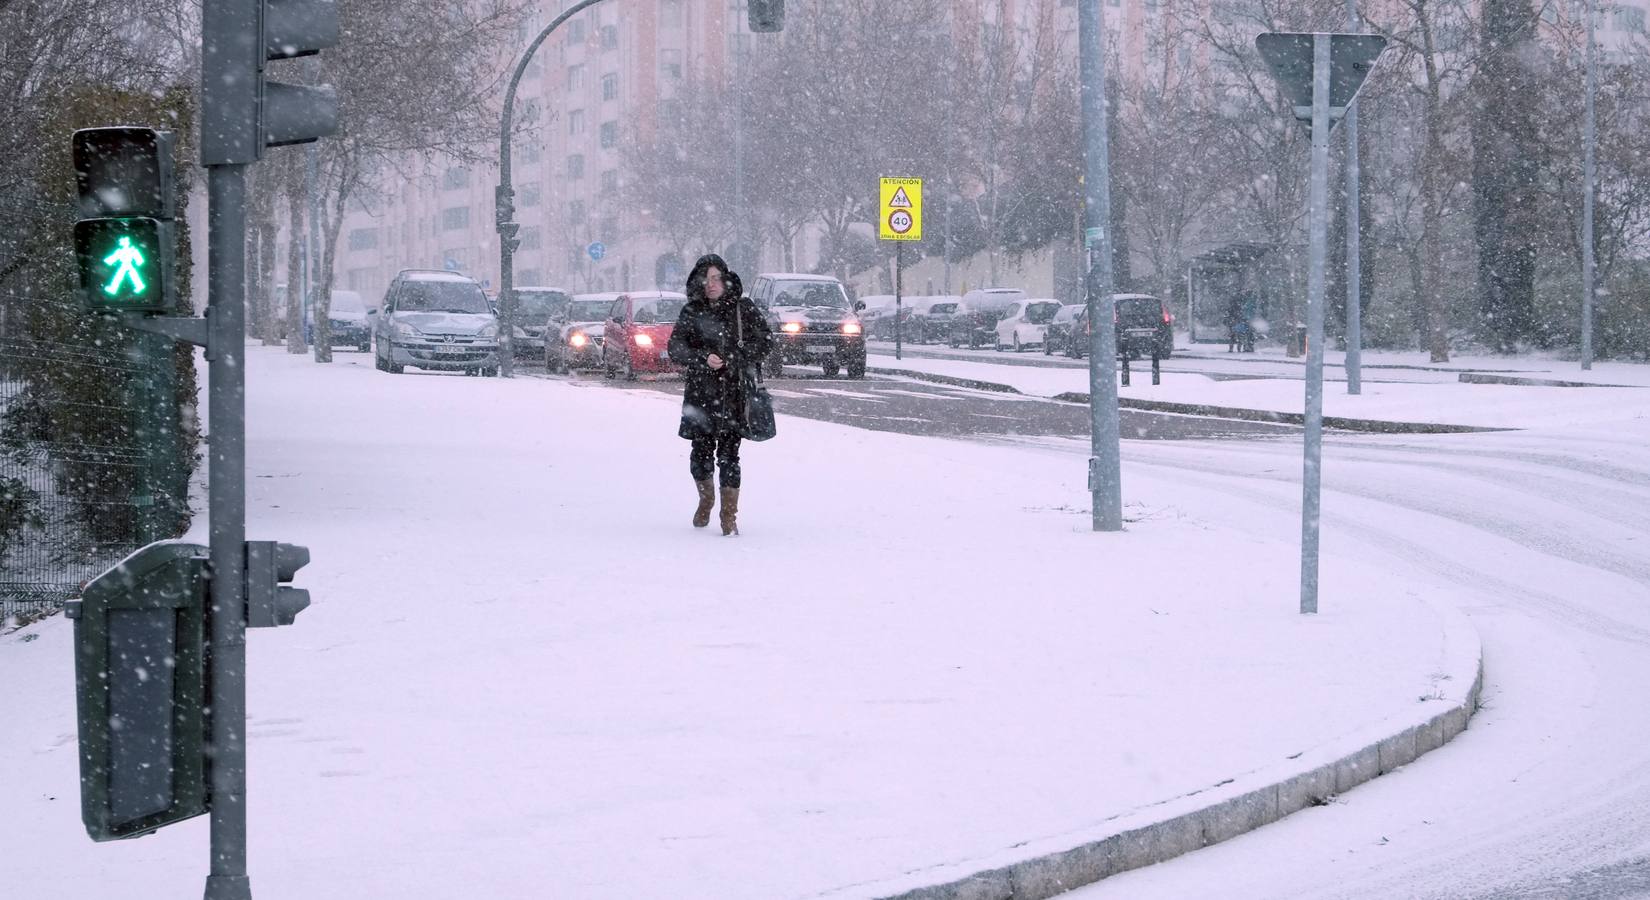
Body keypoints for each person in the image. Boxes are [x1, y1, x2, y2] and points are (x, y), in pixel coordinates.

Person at [667, 254, 773, 536]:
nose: (711, 284)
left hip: (733, 393)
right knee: (700, 453)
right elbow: (675, 348)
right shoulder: (692, 311)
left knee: (729, 455)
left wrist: (733, 357)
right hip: (701, 396)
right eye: (706, 279)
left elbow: (765, 342)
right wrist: (704, 357)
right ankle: (706, 499)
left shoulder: (743, 309)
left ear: (726, 279)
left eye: (716, 278)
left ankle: (729, 516)